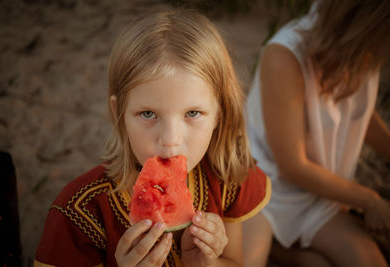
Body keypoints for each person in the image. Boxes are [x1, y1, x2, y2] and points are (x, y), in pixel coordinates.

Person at [34, 8, 271, 267]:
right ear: (118, 112)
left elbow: (234, 261)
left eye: (192, 113)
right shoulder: (78, 213)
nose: (170, 139)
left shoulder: (226, 178)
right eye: (148, 114)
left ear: (219, 114)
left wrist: (208, 264)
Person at [243, 0, 390, 266]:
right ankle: (277, 245)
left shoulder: (359, 50)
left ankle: (287, 250)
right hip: (269, 186)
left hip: (318, 184)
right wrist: (370, 200)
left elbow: (359, 111)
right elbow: (292, 167)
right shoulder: (285, 55)